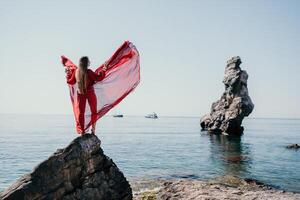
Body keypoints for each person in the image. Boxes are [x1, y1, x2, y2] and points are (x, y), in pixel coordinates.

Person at [65, 56, 107, 135]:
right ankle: (93, 130)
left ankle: (82, 132)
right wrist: (104, 69)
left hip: (80, 94)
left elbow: (70, 82)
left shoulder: (76, 72)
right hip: (90, 92)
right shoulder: (89, 72)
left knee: (81, 113)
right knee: (94, 112)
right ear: (86, 63)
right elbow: (99, 78)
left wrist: (68, 74)